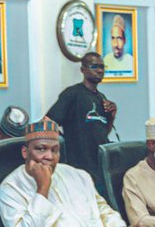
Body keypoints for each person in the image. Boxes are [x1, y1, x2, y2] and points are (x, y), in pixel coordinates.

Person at [0, 118, 146, 227]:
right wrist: (43, 189)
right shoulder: (10, 188)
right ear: (25, 152)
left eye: (55, 150)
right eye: (41, 149)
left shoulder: (76, 175)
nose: (49, 156)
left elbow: (101, 210)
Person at [46, 51, 116, 185]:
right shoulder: (72, 94)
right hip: (78, 167)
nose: (100, 70)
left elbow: (102, 132)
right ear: (83, 69)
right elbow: (48, 122)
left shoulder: (101, 97)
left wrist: (112, 116)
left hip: (99, 167)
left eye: (102, 67)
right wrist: (63, 145)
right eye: (95, 67)